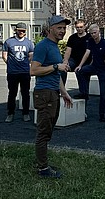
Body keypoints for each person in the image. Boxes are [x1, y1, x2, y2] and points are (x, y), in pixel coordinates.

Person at [30, 15, 73, 177]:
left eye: (64, 28)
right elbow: (33, 70)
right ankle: (43, 169)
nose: (62, 31)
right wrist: (56, 66)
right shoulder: (43, 46)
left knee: (48, 131)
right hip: (44, 93)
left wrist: (64, 93)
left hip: (53, 93)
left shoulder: (54, 46)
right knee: (43, 132)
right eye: (59, 28)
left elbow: (56, 74)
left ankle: (43, 162)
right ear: (50, 29)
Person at [75, 24, 105, 122]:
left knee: (103, 92)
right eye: (91, 33)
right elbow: (87, 53)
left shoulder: (104, 42)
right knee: (80, 71)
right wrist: (80, 65)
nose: (93, 35)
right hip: (94, 66)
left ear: (99, 32)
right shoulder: (91, 42)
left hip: (104, 69)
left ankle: (102, 114)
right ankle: (84, 92)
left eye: (95, 33)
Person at [2, 22, 34, 123]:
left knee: (25, 94)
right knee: (12, 93)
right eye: (19, 30)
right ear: (16, 30)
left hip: (25, 72)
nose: (21, 32)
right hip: (12, 73)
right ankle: (10, 114)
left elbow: (31, 56)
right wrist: (10, 64)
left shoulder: (29, 43)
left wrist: (25, 64)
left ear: (25, 32)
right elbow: (4, 55)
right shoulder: (8, 42)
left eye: (23, 31)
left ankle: (26, 113)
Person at [62, 19, 90, 98]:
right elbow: (68, 51)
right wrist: (65, 61)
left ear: (84, 27)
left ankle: (83, 93)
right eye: (77, 27)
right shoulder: (72, 38)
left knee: (81, 72)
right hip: (73, 60)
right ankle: (61, 90)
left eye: (81, 27)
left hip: (86, 62)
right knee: (63, 68)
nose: (79, 29)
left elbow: (90, 52)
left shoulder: (89, 37)